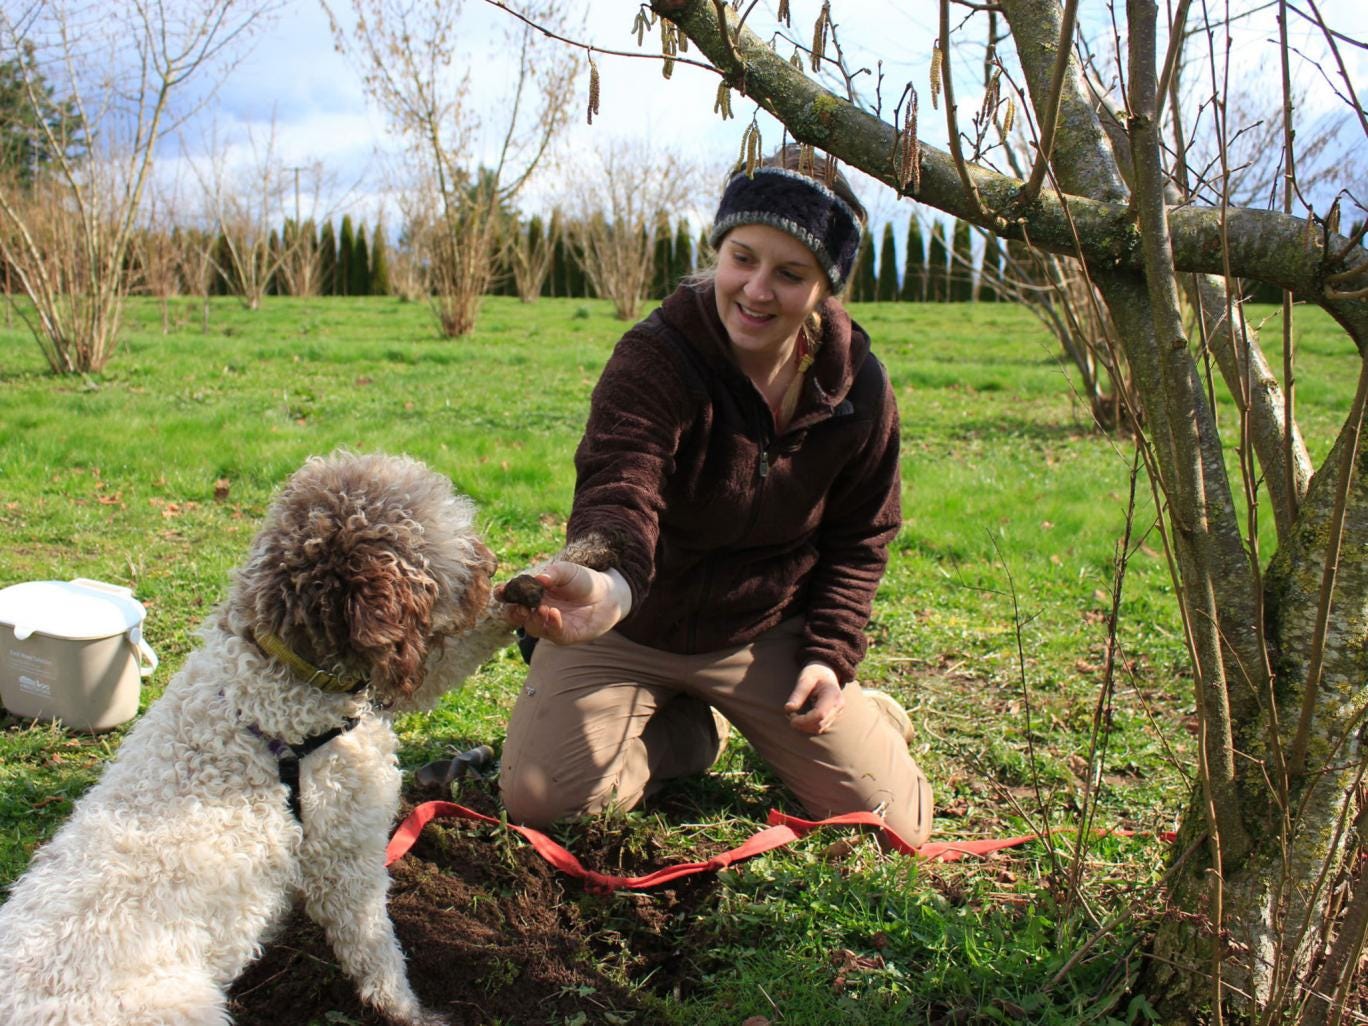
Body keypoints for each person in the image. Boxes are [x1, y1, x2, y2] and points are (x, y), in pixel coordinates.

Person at [496, 148, 933, 846]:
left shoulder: (859, 390)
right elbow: (620, 484)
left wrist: (828, 655)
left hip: (765, 632)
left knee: (891, 820)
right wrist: (608, 581)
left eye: (789, 274)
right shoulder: (657, 356)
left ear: (826, 288)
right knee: (541, 800)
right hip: (631, 621)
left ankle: (864, 715)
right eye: (742, 257)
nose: (757, 290)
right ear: (718, 250)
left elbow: (862, 537)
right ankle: (693, 736)